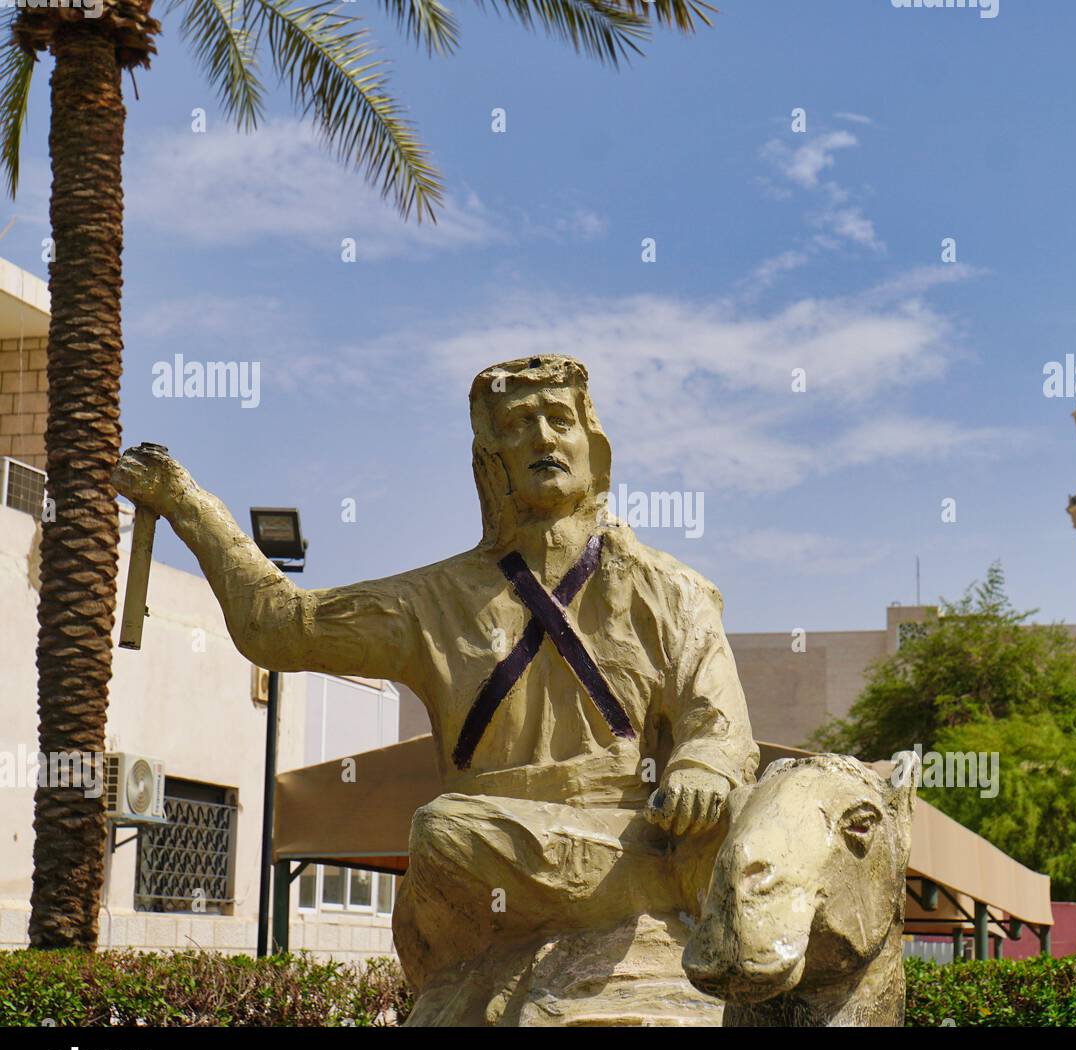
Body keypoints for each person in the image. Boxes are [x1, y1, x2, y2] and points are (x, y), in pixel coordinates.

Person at [113, 354, 759, 1001]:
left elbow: (721, 725)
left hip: (626, 853)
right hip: (477, 857)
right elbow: (281, 623)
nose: (542, 437)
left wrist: (702, 765)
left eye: (559, 419)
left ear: (593, 445)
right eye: (517, 423)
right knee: (446, 834)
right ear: (490, 459)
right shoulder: (436, 599)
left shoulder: (672, 593)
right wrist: (186, 504)